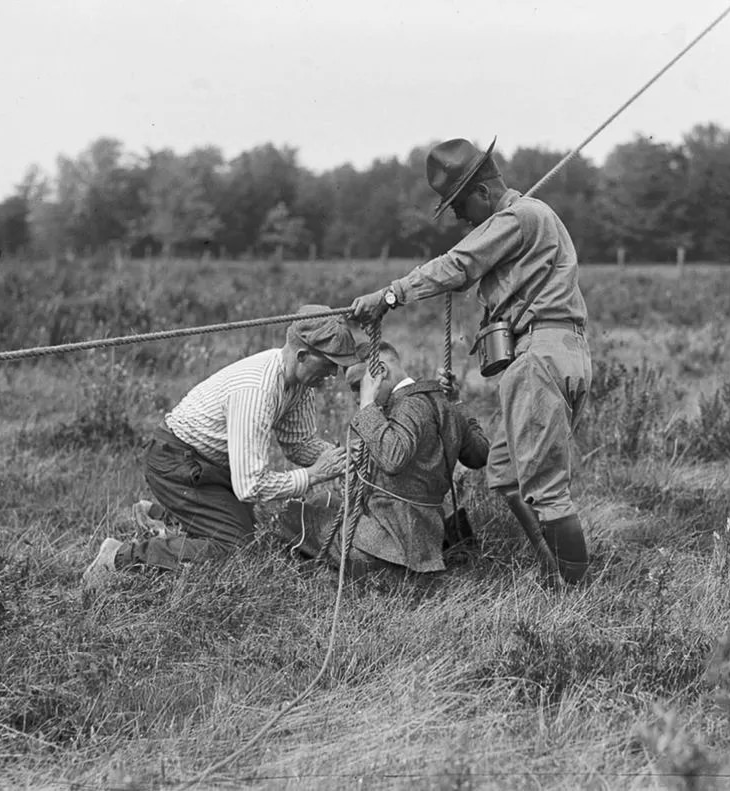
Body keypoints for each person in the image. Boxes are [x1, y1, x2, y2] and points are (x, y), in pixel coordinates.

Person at [350, 138, 592, 584]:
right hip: (545, 351)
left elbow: (458, 265)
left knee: (546, 490)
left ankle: (576, 595)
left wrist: (389, 296)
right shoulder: (519, 220)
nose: (459, 218)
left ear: (482, 191)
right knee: (504, 472)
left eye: (459, 205)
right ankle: (553, 568)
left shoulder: (519, 216)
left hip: (540, 356)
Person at [82, 305, 359, 588]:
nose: (333, 374)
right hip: (176, 463)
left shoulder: (299, 384)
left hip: (209, 467)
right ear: (302, 356)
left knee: (260, 533)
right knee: (237, 551)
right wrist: (313, 475)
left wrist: (337, 458)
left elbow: (298, 443)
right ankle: (120, 557)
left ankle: (159, 514)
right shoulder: (258, 390)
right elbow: (250, 486)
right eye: (328, 364)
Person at [279, 341, 489, 577]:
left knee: (288, 515)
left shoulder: (408, 406)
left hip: (389, 548)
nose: (357, 398)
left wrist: (368, 406)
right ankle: (325, 565)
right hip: (424, 537)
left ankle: (322, 571)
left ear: (380, 372)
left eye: (359, 386)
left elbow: (393, 459)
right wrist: (458, 403)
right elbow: (480, 455)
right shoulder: (443, 403)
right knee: (322, 500)